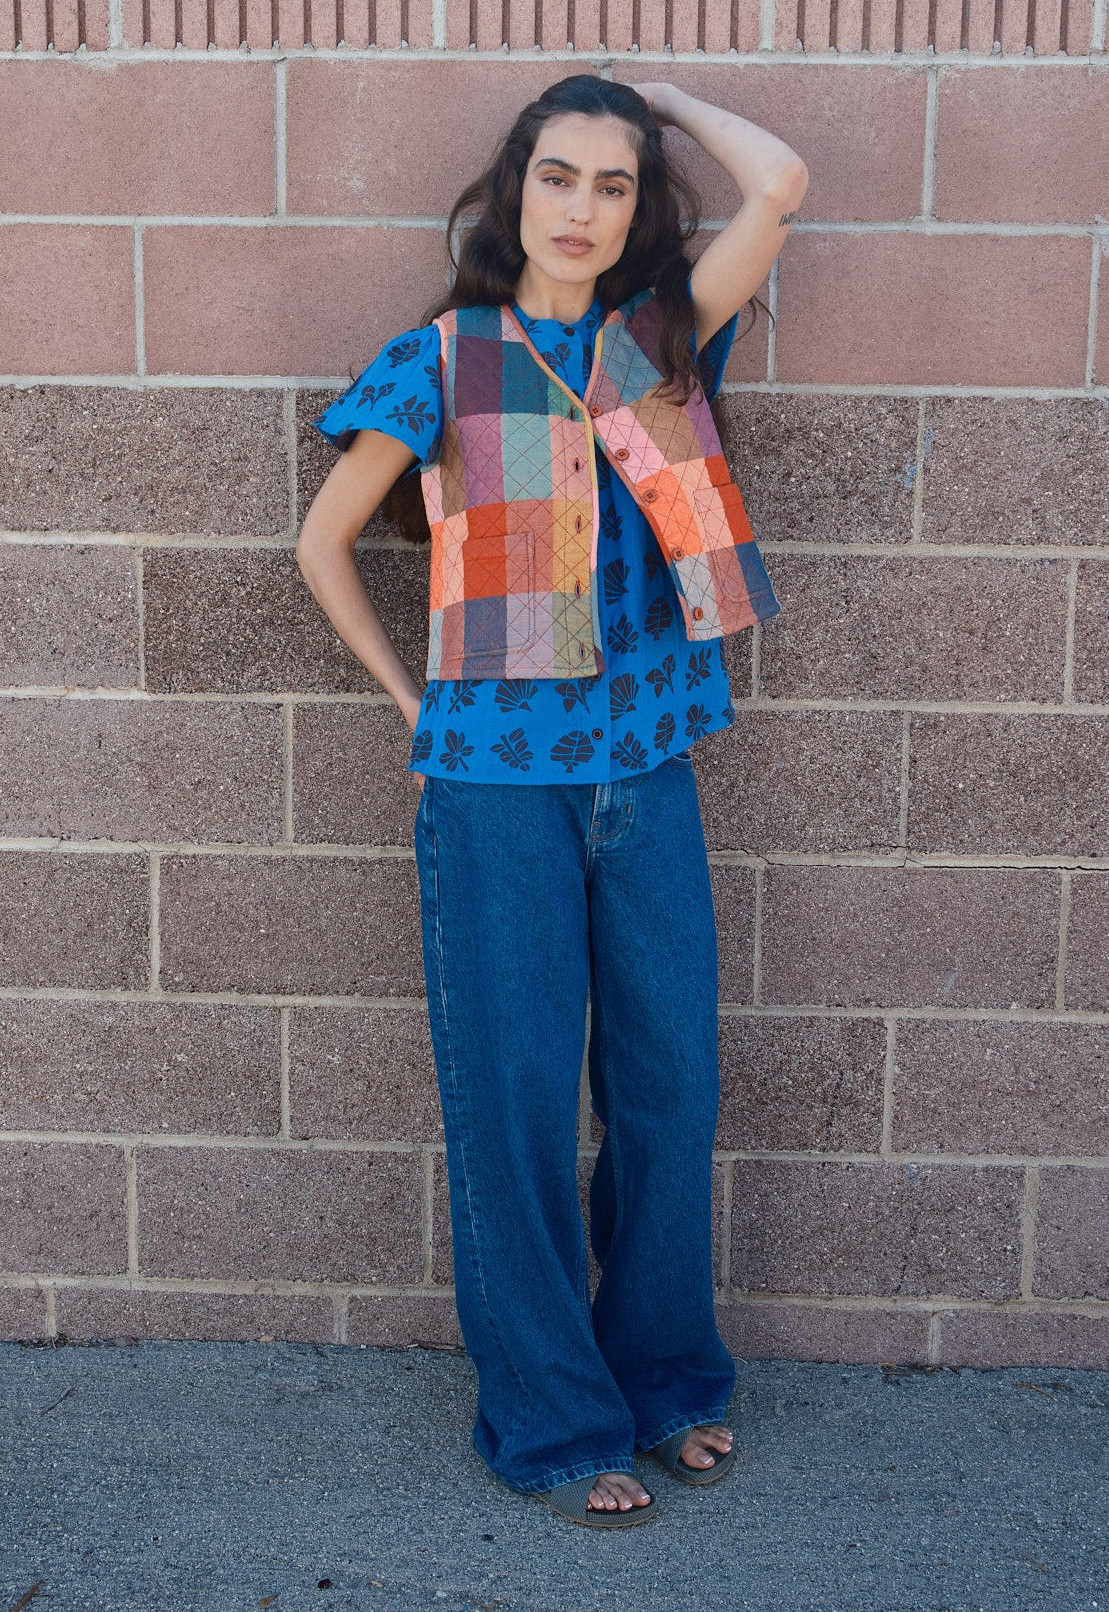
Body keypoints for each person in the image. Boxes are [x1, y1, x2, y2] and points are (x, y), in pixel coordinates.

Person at [296, 74, 807, 1528]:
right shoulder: (442, 357)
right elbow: (322, 543)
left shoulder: (661, 336)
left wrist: (663, 100)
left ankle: (665, 1379)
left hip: (646, 768)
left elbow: (778, 184)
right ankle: (551, 1415)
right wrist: (416, 708)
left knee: (668, 1088)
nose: (580, 208)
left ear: (638, 211)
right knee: (513, 1099)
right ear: (512, 190)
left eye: (613, 184)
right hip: (493, 795)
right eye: (557, 176)